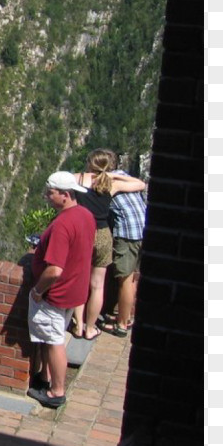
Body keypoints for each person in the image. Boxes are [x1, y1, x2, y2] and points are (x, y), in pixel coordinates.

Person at [27, 172, 96, 408]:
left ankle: (56, 391)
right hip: (75, 290)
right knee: (52, 337)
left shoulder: (62, 224)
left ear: (65, 195)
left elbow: (55, 269)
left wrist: (38, 290)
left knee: (55, 340)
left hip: (55, 294)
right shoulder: (86, 215)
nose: (47, 197)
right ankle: (46, 378)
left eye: (51, 193)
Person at [69, 149, 146, 342]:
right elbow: (141, 184)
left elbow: (56, 181)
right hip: (103, 235)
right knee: (97, 286)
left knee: (80, 280)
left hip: (83, 232)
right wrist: (109, 174)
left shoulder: (77, 179)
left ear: (89, 163)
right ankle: (90, 328)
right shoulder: (112, 184)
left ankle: (78, 325)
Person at [101, 150, 147, 337]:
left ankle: (121, 325)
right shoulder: (124, 176)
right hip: (143, 231)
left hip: (128, 235)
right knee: (133, 277)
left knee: (125, 280)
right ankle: (126, 317)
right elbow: (142, 184)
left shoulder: (105, 183)